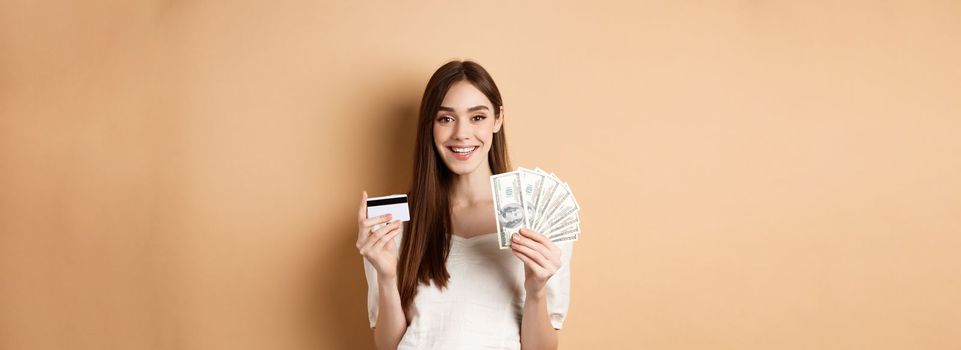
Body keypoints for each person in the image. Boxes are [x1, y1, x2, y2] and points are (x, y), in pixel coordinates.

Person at [355, 60, 574, 349]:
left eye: (477, 117)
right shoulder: (395, 221)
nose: (461, 133)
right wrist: (385, 276)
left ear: (498, 119)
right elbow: (389, 346)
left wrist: (536, 290)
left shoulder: (537, 219)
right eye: (446, 119)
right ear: (430, 127)